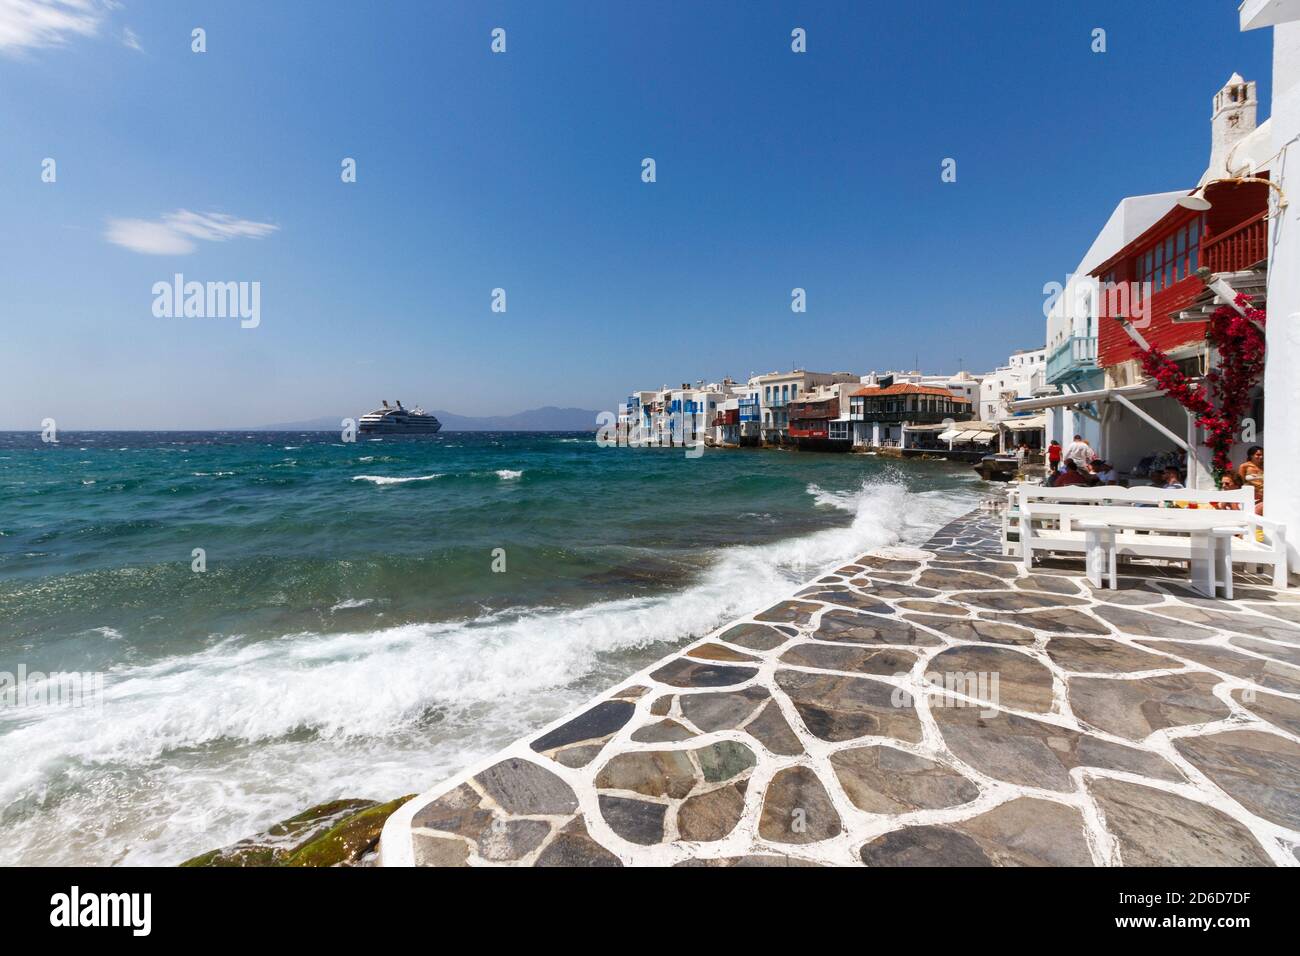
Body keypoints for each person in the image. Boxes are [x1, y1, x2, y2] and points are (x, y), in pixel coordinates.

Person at [1237, 445, 1264, 515]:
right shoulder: (1244, 466)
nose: (1261, 457)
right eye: (1258, 454)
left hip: (1264, 493)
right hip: (1252, 494)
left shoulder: (1265, 466)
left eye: (1262, 455)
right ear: (1251, 455)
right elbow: (1240, 482)